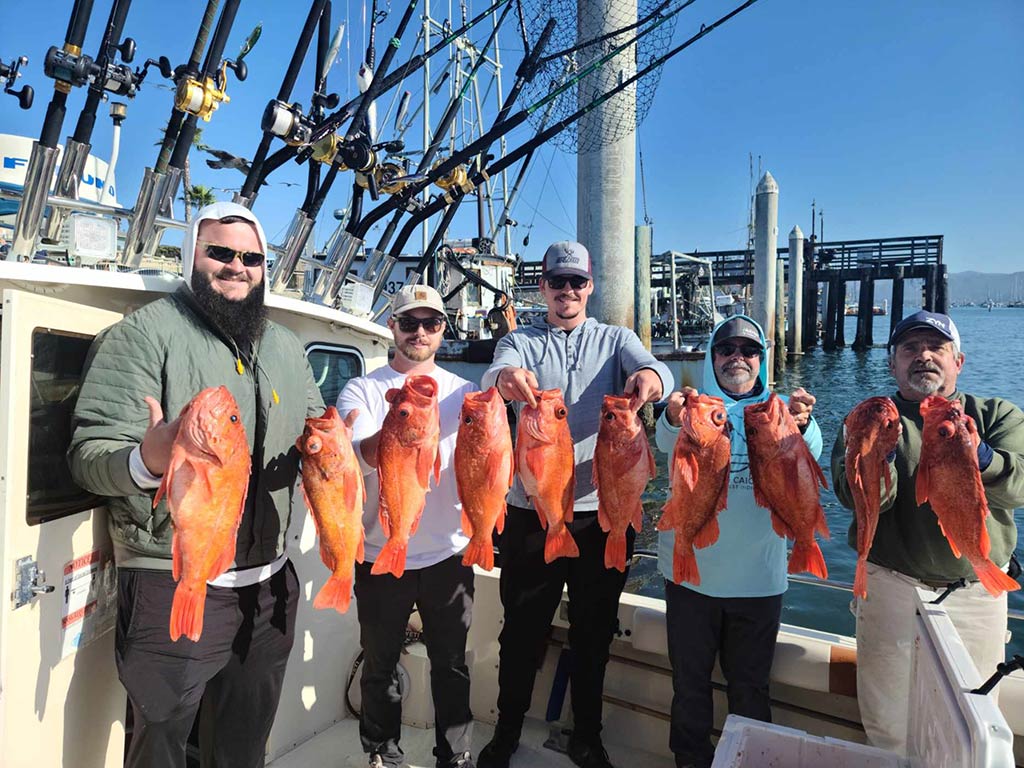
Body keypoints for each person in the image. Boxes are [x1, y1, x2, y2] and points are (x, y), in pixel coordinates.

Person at [68, 202, 326, 768]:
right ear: (193, 256)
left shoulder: (285, 345)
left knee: (243, 746)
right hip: (172, 576)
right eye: (221, 253)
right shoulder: (142, 334)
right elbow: (88, 458)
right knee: (159, 741)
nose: (237, 266)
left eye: (251, 257)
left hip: (267, 582)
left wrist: (330, 446)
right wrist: (148, 457)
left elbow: (314, 424)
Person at [477, 241, 674, 768]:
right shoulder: (520, 339)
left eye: (577, 283)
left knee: (593, 633)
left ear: (590, 287)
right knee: (520, 630)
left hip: (602, 513)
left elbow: (657, 370)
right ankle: (507, 730)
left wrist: (652, 380)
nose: (568, 291)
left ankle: (588, 734)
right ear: (541, 287)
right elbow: (492, 373)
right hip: (533, 514)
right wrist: (503, 379)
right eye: (557, 282)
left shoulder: (617, 339)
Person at [831, 310, 1024, 754]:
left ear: (959, 360)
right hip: (888, 585)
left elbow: (1019, 484)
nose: (923, 357)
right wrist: (880, 458)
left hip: (977, 591)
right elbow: (852, 495)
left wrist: (980, 456)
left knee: (971, 727)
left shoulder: (994, 415)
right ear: (892, 363)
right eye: (910, 349)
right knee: (887, 724)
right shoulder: (867, 418)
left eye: (936, 348)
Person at [654, 316, 820, 768]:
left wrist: (804, 425)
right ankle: (689, 762)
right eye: (726, 349)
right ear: (712, 357)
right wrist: (671, 415)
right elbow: (666, 438)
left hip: (759, 585)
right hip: (690, 581)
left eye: (748, 351)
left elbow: (813, 453)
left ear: (761, 360)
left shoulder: (781, 410)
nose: (737, 358)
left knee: (750, 691)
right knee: (689, 688)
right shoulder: (692, 409)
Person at [336, 283, 477, 768]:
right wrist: (397, 429)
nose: (420, 332)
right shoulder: (362, 388)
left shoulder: (465, 394)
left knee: (452, 664)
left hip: (447, 553)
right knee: (378, 664)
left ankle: (454, 754)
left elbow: (486, 459)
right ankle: (382, 752)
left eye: (431, 323)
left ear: (443, 330)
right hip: (379, 550)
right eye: (409, 322)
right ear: (391, 326)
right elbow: (353, 458)